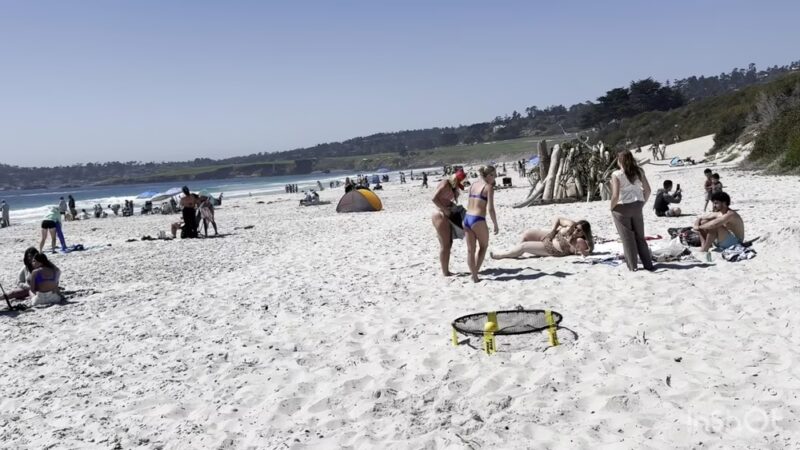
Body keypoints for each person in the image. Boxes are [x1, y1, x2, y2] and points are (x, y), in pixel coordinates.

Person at [610, 149, 654, 271]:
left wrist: (611, 207)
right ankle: (648, 264)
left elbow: (615, 195)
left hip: (622, 207)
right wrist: (642, 203)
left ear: (619, 160)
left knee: (627, 238)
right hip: (637, 205)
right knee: (640, 237)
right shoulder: (639, 171)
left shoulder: (616, 174)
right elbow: (648, 190)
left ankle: (633, 266)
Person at [491, 218, 593, 259]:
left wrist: (579, 249)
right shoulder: (570, 226)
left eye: (579, 231)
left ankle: (503, 255)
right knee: (527, 233)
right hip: (551, 236)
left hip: (550, 248)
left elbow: (586, 253)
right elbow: (558, 219)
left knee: (524, 246)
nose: (575, 231)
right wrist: (553, 231)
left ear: (583, 234)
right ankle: (515, 252)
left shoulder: (579, 241)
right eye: (576, 228)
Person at [464, 166, 499, 282]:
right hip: (478, 219)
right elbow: (491, 209)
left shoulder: (472, 185)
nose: (495, 177)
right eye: (494, 175)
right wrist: (495, 224)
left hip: (467, 218)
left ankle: (474, 275)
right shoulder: (488, 187)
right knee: (483, 247)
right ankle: (475, 273)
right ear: (488, 175)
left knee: (470, 250)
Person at [431, 169, 467, 276]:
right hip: (440, 214)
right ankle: (445, 272)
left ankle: (446, 270)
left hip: (447, 213)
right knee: (445, 245)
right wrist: (445, 209)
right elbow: (434, 198)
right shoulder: (445, 183)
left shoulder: (453, 186)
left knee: (449, 244)